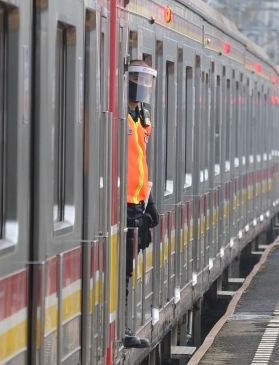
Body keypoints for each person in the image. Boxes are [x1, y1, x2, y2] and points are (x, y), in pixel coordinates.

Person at [124, 60, 160, 349]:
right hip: (122, 204)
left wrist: (148, 203)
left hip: (137, 202)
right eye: (137, 78)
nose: (142, 85)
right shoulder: (122, 117)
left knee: (128, 266)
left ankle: (123, 327)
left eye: (147, 80)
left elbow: (140, 164)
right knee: (123, 267)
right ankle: (123, 330)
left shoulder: (139, 118)